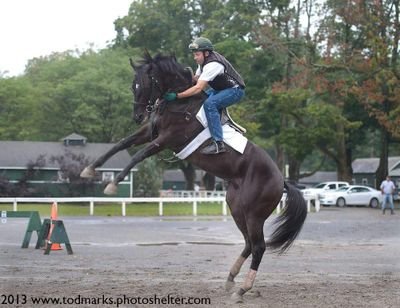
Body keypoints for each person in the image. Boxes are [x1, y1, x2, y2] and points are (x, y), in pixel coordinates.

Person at [163, 37, 245, 154]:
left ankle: (218, 143)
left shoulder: (213, 65)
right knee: (198, 100)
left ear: (206, 53)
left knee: (209, 104)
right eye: (194, 55)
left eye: (197, 55)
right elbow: (195, 80)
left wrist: (177, 96)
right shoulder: (203, 62)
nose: (195, 58)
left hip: (235, 90)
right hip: (221, 89)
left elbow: (198, 88)